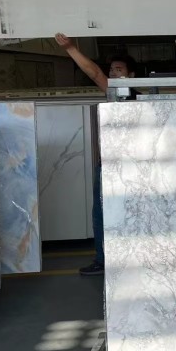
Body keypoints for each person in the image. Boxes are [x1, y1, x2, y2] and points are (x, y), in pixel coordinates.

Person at [54, 33, 137, 275]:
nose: (113, 74)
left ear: (132, 76)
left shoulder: (130, 95)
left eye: (119, 70)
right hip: (115, 163)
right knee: (105, 212)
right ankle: (109, 259)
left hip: (119, 165)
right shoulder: (122, 95)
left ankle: (106, 260)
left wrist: (70, 48)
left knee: (104, 213)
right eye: (112, 70)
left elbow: (94, 73)